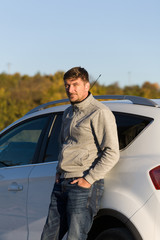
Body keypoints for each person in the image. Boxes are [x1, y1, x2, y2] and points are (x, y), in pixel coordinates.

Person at [41, 67, 119, 240]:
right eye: (67, 85)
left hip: (82, 184)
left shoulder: (99, 112)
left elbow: (112, 152)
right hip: (61, 183)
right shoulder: (68, 112)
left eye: (75, 85)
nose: (70, 90)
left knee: (75, 237)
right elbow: (64, 144)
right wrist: (58, 171)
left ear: (86, 85)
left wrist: (88, 180)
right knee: (48, 236)